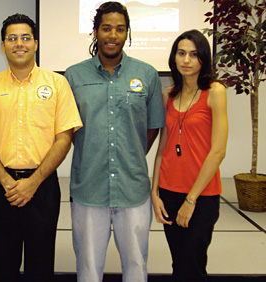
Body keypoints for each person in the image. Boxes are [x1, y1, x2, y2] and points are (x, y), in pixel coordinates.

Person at [0, 13, 82, 282]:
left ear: (36, 43)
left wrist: (33, 182)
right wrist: (8, 182)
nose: (19, 43)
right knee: (2, 265)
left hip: (42, 188)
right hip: (0, 188)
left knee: (41, 266)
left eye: (25, 38)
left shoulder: (57, 84)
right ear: (2, 45)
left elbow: (64, 138)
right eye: (12, 38)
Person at [64, 2, 165, 282]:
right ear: (95, 32)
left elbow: (152, 127)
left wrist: (130, 153)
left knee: (136, 266)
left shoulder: (147, 74)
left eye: (120, 29)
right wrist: (94, 149)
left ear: (127, 33)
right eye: (106, 28)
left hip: (133, 189)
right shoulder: (73, 76)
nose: (112, 35)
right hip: (88, 189)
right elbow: (67, 130)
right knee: (88, 269)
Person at [151, 29, 228, 282]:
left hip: (201, 195)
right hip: (169, 191)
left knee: (193, 265)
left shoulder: (215, 91)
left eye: (194, 55)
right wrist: (154, 193)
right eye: (181, 53)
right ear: (174, 58)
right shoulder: (168, 95)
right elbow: (163, 147)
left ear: (203, 59)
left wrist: (191, 200)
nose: (186, 60)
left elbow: (218, 151)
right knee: (178, 264)